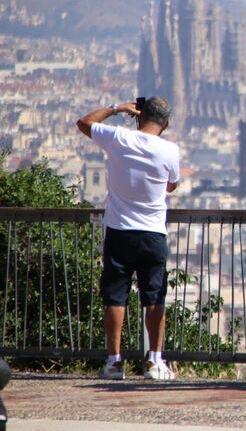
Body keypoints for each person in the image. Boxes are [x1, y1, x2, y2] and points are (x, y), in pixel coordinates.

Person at [76, 96, 181, 380]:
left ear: (138, 116)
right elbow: (171, 185)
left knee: (115, 297)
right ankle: (155, 361)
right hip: (153, 233)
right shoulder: (170, 150)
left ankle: (114, 361)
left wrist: (116, 108)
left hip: (119, 230)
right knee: (155, 297)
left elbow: (84, 123)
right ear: (166, 123)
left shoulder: (119, 138)